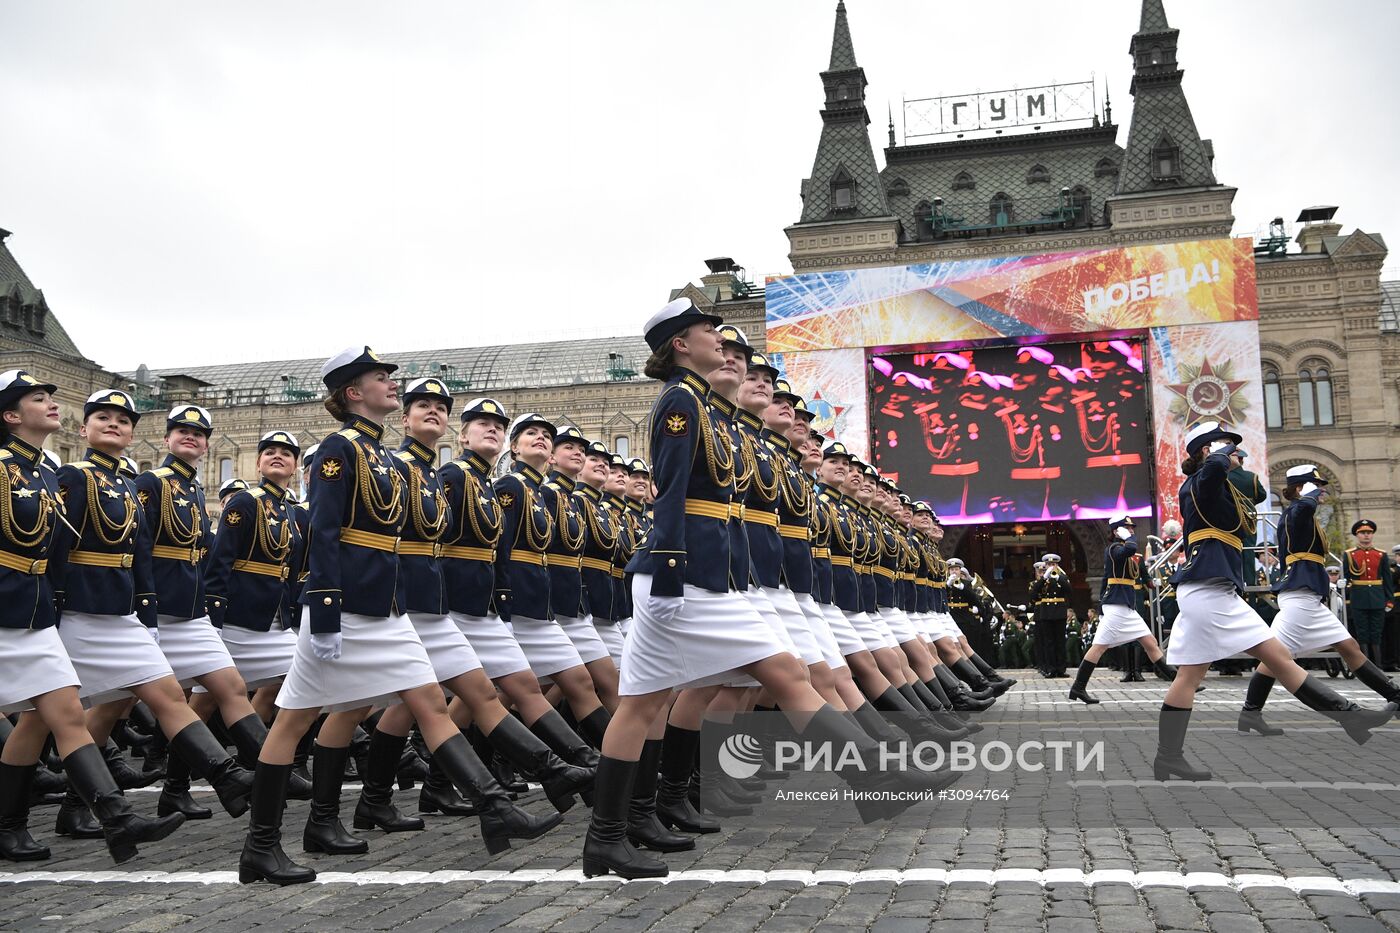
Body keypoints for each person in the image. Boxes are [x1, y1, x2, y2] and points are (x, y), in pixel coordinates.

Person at [583, 299, 951, 880]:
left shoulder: (704, 406)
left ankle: (612, 835)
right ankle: (870, 776)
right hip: (685, 576)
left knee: (643, 704)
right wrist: (678, 566)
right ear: (681, 344)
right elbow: (672, 490)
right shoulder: (680, 401)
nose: (722, 346)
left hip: (700, 574)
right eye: (711, 334)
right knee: (784, 673)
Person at [238, 349, 563, 886]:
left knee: (431, 701)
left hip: (386, 609)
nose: (392, 384)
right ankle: (262, 845)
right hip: (347, 608)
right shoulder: (338, 450)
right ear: (352, 393)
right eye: (380, 378)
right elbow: (322, 533)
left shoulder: (382, 457)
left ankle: (493, 807)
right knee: (295, 718)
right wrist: (323, 611)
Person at [350, 378, 591, 834]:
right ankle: (562, 771)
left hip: (452, 604)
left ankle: (560, 771)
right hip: (422, 603)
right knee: (374, 706)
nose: (491, 430)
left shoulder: (468, 479)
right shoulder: (442, 474)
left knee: (450, 698)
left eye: (498, 425)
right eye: (481, 423)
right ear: (462, 435)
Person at [50, 389, 255, 841]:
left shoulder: (144, 483)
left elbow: (143, 553)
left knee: (126, 703)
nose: (114, 425)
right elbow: (59, 547)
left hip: (136, 609)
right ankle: (45, 810)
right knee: (59, 716)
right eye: (102, 418)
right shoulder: (119, 480)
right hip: (85, 608)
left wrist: (145, 611)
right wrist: (55, 607)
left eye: (199, 433)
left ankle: (230, 778)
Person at [0, 372, 185, 864]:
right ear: (12, 416)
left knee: (59, 718)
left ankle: (113, 820)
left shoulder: (41, 473)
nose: (52, 404)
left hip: (32, 613)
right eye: (38, 398)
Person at [1155, 421, 1393, 781]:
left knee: (1190, 676)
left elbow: (1255, 496)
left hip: (1210, 589)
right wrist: (1219, 455)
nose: (1236, 452)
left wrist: (1226, 456)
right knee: (1278, 659)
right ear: (1208, 451)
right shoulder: (1199, 484)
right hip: (1208, 590)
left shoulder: (1215, 484)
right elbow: (1213, 472)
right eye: (1228, 446)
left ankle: (1168, 757)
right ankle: (1350, 715)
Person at [438, 398, 600, 814]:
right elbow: (475, 546)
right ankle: (578, 768)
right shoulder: (502, 485)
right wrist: (503, 599)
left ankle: (581, 768)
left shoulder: (525, 489)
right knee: (452, 700)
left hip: (511, 602)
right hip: (473, 602)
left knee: (497, 694)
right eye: (532, 434)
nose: (542, 440)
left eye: (547, 435)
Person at [136, 407, 289, 820]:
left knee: (230, 689)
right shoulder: (152, 482)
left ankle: (267, 770)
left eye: (199, 434)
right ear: (166, 439)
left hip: (189, 613)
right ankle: (79, 801)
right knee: (110, 707)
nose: (191, 438)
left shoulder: (189, 492)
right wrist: (144, 609)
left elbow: (199, 556)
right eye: (183, 431)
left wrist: (205, 612)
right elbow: (139, 549)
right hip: (156, 610)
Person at [1238, 467, 1400, 734]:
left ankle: (1395, 696)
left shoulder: (1301, 514)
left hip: (1307, 595)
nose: (1322, 490)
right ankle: (1252, 713)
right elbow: (1302, 510)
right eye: (1316, 485)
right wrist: (1309, 497)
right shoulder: (1295, 511)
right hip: (1299, 596)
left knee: (1348, 646)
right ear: (1302, 488)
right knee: (1276, 659)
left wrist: (1311, 495)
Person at [201, 430, 309, 813]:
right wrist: (214, 618)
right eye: (270, 452)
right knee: (204, 704)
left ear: (295, 465)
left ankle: (264, 765)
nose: (278, 457)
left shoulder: (290, 511)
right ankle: (184, 784)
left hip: (272, 619)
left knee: (297, 681)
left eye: (286, 453)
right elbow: (220, 562)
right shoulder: (245, 503)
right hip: (238, 617)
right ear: (259, 462)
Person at [494, 413, 613, 744]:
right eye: (569, 446)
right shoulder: (515, 488)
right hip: (525, 601)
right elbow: (502, 548)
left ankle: (612, 766)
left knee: (555, 686)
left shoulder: (555, 495)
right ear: (514, 447)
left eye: (581, 448)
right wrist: (504, 600)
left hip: (553, 602)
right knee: (492, 694)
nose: (578, 453)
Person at [1069, 515, 1183, 704]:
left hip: (1124, 606)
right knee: (1099, 647)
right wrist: (1126, 538)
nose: (1131, 531)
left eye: (1131, 528)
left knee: (1150, 642)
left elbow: (1114, 573)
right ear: (1116, 531)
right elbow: (1127, 550)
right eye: (1126, 528)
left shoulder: (1126, 552)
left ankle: (1180, 681)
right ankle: (1078, 688)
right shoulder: (1114, 549)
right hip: (1117, 606)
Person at [1344, 519, 1393, 665]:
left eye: (1369, 533)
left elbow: (1388, 580)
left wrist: (1389, 600)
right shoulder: (1349, 555)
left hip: (1377, 597)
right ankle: (1366, 667)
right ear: (1357, 535)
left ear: (1372, 535)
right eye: (1363, 533)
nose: (1366, 536)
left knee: (1376, 633)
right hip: (1359, 597)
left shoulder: (1381, 554)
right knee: (1362, 633)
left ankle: (1378, 666)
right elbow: (1347, 578)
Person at [1036, 554, 1071, 677]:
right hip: (1046, 613)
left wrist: (1058, 578)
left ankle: (1061, 669)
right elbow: (1035, 592)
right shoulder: (1043, 579)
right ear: (1045, 565)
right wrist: (1044, 577)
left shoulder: (1062, 577)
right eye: (1049, 565)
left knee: (1060, 642)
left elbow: (1069, 590)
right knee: (1049, 642)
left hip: (1059, 612)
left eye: (1054, 564)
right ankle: (1050, 669)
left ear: (1057, 565)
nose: (1051, 566)